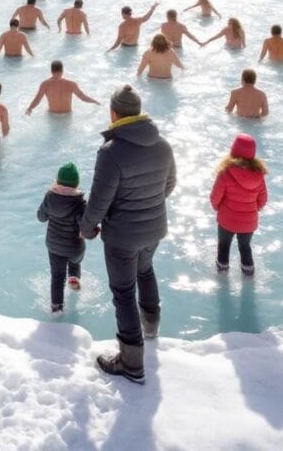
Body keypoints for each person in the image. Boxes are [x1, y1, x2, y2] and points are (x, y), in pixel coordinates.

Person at [79, 85, 176, 384]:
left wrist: (87, 227)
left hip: (122, 234)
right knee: (145, 271)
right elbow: (169, 186)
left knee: (123, 292)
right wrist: (148, 206)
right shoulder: (163, 145)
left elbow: (100, 199)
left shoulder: (111, 152)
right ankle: (151, 329)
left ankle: (132, 363)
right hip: (155, 227)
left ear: (114, 113)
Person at [210, 133, 268, 276]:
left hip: (226, 219)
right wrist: (253, 210)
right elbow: (263, 199)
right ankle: (248, 275)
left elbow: (215, 197)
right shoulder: (258, 175)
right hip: (249, 222)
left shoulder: (225, 173)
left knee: (223, 246)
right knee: (245, 246)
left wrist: (219, 209)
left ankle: (222, 275)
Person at [37, 162, 87, 314]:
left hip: (54, 245)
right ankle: (74, 277)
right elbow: (84, 226)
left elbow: (41, 217)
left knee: (57, 276)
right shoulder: (80, 202)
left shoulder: (49, 197)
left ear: (57, 181)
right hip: (74, 246)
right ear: (77, 183)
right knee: (75, 262)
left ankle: (56, 307)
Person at [25, 61, 99, 114]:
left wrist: (29, 108)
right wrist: (95, 102)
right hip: (67, 116)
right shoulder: (71, 84)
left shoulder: (45, 84)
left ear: (51, 71)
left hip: (53, 115)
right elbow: (83, 98)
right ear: (62, 71)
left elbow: (37, 100)